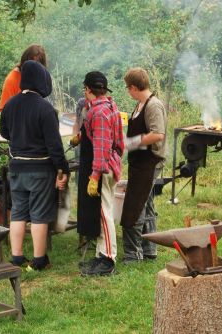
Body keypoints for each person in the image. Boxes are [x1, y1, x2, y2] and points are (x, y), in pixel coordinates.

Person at [0, 60, 69, 271]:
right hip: (40, 170)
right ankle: (39, 260)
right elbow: (54, 145)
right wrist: (62, 169)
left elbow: (4, 132)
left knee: (19, 211)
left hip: (17, 168)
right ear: (41, 80)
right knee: (39, 213)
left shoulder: (10, 104)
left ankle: (17, 257)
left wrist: (19, 138)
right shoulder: (46, 108)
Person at [76, 71, 124, 276]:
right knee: (103, 212)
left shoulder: (99, 113)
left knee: (104, 213)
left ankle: (109, 260)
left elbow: (102, 148)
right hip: (110, 164)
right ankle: (101, 254)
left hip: (103, 168)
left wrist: (95, 176)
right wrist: (80, 136)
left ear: (88, 89)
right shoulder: (109, 105)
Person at [120, 67, 167, 263]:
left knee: (135, 206)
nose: (127, 91)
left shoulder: (153, 105)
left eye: (127, 88)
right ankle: (150, 249)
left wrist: (134, 142)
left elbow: (158, 134)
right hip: (139, 162)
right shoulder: (140, 104)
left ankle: (133, 254)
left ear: (134, 87)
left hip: (149, 161)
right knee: (146, 206)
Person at [0, 44, 47, 112]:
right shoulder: (11, 80)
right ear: (24, 61)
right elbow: (4, 111)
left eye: (37, 66)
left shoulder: (37, 78)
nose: (34, 69)